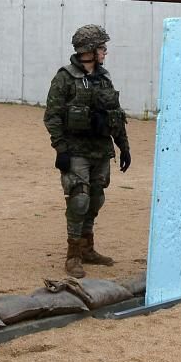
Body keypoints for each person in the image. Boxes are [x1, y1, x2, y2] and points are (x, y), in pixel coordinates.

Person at [44, 24, 131, 278]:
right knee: (79, 199)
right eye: (102, 47)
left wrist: (123, 145)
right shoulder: (64, 78)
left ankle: (87, 247)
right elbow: (52, 116)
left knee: (96, 199)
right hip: (76, 151)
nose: (105, 52)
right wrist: (61, 148)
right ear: (89, 50)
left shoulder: (104, 79)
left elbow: (115, 115)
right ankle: (73, 255)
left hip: (100, 150)